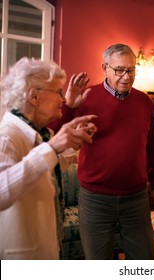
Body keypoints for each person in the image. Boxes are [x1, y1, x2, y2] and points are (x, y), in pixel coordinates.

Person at [49, 43, 154, 260]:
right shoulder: (85, 97)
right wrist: (69, 105)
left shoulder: (144, 101)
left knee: (145, 261)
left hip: (136, 198)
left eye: (131, 70)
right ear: (105, 68)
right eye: (119, 69)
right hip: (96, 199)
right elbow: (52, 132)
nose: (126, 76)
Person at [0, 57, 97, 259]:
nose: (64, 100)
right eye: (58, 92)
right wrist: (52, 148)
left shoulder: (41, 133)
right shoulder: (6, 136)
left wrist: (70, 144)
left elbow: (46, 170)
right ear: (34, 97)